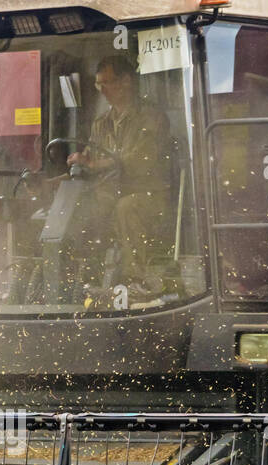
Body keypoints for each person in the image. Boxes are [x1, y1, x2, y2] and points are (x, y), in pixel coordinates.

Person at [66, 54, 174, 296]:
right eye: (98, 84)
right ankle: (81, 278)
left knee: (126, 207)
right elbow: (89, 159)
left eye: (106, 83)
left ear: (126, 82)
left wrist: (95, 164)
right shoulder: (101, 124)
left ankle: (139, 282)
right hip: (111, 193)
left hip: (150, 195)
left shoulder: (151, 117)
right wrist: (76, 166)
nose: (101, 90)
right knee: (79, 206)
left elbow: (141, 161)